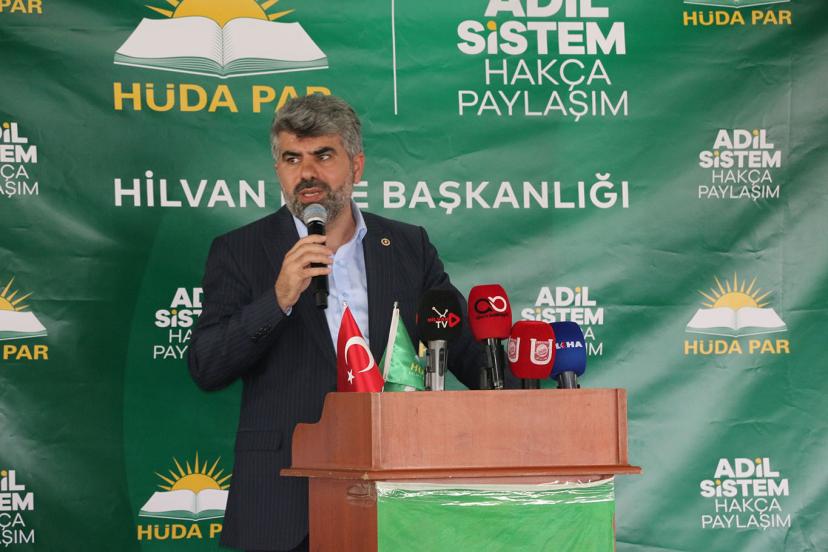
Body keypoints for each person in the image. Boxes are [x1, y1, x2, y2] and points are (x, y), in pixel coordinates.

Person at [188, 94, 503, 551]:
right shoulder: (240, 250)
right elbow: (206, 366)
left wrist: (529, 388)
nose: (307, 173)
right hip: (282, 503)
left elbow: (467, 350)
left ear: (356, 166)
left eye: (323, 156)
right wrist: (278, 299)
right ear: (278, 170)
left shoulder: (408, 247)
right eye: (292, 159)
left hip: (396, 494)